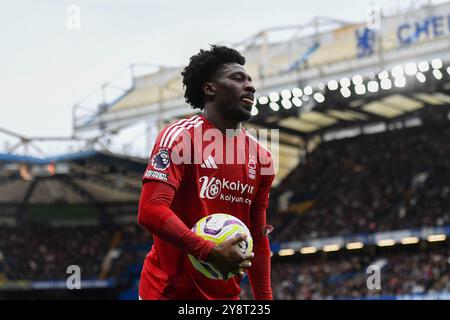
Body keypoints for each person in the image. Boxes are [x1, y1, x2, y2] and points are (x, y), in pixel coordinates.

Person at [137, 45, 275, 300]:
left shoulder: (262, 158)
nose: (250, 86)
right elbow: (150, 210)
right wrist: (208, 251)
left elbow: (258, 237)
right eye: (237, 78)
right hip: (168, 293)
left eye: (250, 81)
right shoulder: (180, 137)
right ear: (210, 88)